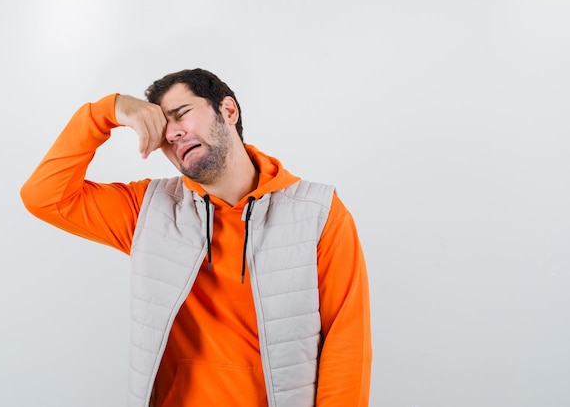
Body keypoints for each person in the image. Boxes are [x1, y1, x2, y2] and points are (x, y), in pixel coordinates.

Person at [20, 68, 372, 407]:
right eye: (162, 131)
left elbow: (346, 341)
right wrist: (108, 111)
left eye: (181, 114)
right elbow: (44, 196)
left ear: (228, 110)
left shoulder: (318, 212)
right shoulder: (148, 210)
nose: (172, 134)